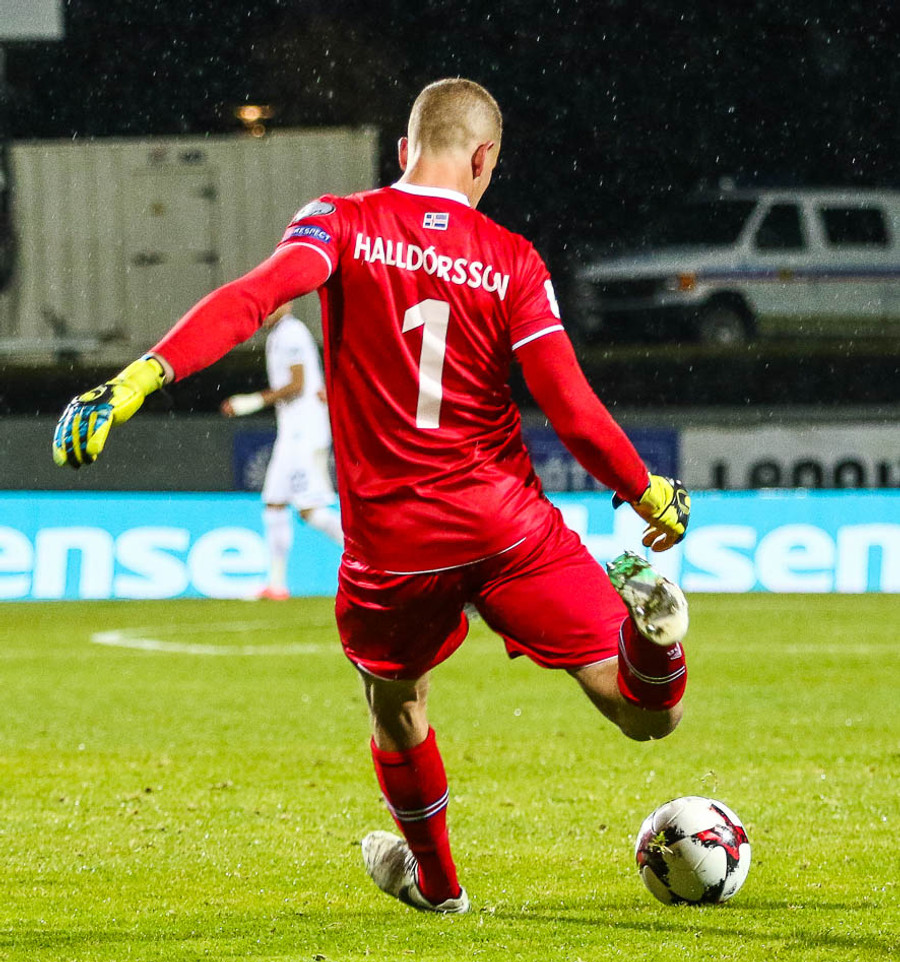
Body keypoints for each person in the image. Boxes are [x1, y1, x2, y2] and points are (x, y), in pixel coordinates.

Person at [52, 78, 691, 916]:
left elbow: (254, 298)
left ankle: (440, 884)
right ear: (484, 158)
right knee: (646, 715)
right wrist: (645, 490)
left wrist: (141, 378)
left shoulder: (339, 222)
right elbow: (569, 408)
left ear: (402, 150)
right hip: (505, 522)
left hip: (396, 545)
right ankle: (656, 641)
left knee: (396, 702)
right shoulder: (513, 260)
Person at [220, 302, 342, 599]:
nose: (263, 314)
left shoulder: (292, 333)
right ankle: (276, 584)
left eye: (270, 307)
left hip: (306, 433)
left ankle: (371, 561)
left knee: (310, 509)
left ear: (285, 305)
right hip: (291, 433)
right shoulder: (278, 335)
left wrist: (253, 401)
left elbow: (297, 384)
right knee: (274, 502)